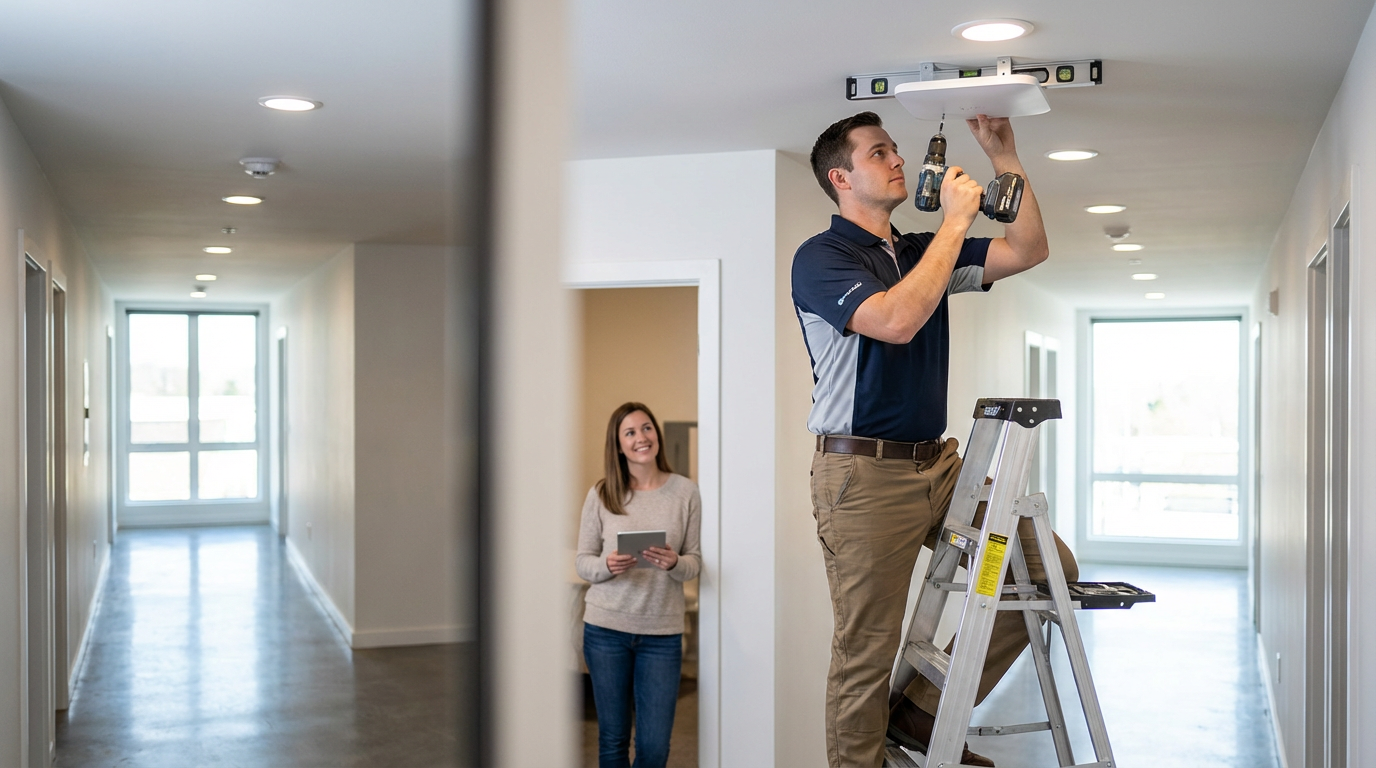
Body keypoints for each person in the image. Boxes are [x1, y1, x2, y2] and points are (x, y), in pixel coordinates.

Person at [792, 111, 1080, 768]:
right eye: (879, 152)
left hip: (939, 468)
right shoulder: (822, 257)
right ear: (842, 178)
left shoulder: (922, 251)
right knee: (864, 655)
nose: (898, 159)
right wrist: (954, 222)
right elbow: (894, 320)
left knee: (1045, 569)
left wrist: (1005, 156)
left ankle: (924, 710)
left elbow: (1029, 249)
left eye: (896, 149)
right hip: (863, 479)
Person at [576, 401, 702, 768]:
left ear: (656, 435)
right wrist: (607, 565)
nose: (641, 438)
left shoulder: (686, 492)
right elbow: (583, 560)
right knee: (613, 740)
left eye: (646, 428)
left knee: (653, 748)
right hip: (605, 631)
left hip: (661, 635)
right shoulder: (602, 493)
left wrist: (675, 562)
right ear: (618, 445)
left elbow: (694, 561)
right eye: (629, 432)